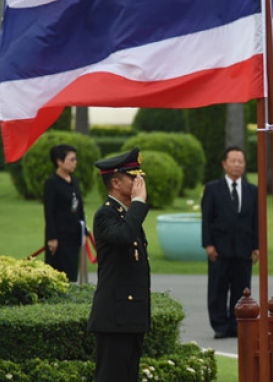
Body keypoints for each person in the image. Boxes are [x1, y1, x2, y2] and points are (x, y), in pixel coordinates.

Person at [86, 147, 150, 382]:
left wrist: (136, 207)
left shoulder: (127, 214)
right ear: (115, 182)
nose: (139, 181)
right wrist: (138, 205)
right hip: (114, 318)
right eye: (132, 177)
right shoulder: (106, 215)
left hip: (130, 317)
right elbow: (123, 238)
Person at [201, 146, 259, 339]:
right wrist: (208, 244)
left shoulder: (252, 191)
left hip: (243, 249)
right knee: (217, 288)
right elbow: (206, 219)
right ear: (224, 164)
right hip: (219, 248)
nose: (237, 165)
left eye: (240, 161)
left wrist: (256, 246)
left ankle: (236, 325)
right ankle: (220, 325)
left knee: (241, 288)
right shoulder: (212, 189)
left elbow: (256, 220)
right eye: (233, 161)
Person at [43, 144, 86, 282]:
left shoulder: (74, 181)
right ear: (59, 162)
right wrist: (52, 237)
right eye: (71, 160)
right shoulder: (52, 183)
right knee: (58, 273)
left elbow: (79, 207)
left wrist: (83, 228)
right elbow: (48, 212)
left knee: (72, 272)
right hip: (59, 236)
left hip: (73, 234)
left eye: (75, 159)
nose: (75, 163)